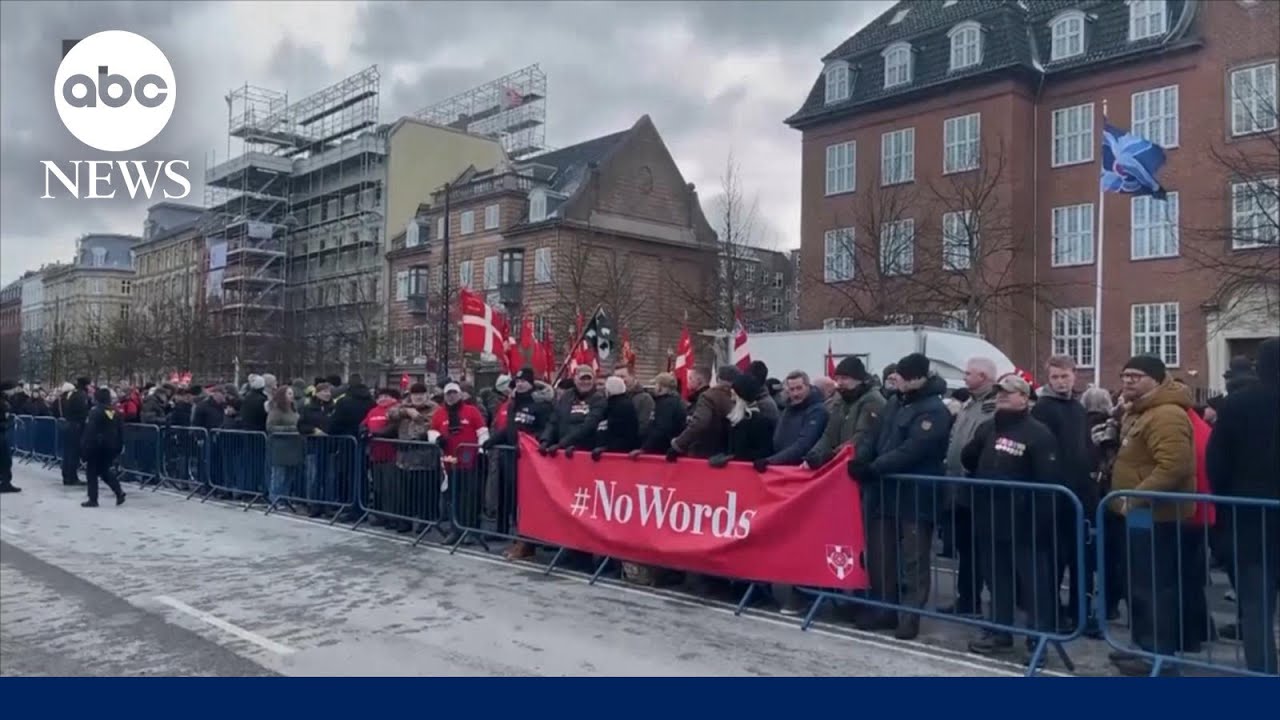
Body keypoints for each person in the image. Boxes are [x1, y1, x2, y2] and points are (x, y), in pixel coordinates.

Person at [851, 352, 951, 640]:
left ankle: (910, 615)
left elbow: (914, 449)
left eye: (904, 378)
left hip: (915, 493)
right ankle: (885, 608)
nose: (898, 381)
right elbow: (874, 434)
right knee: (881, 554)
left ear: (919, 378)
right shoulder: (895, 402)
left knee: (914, 559)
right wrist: (862, 457)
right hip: (885, 491)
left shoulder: (934, 410)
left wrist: (875, 467)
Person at [1107, 354, 1196, 676]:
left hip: (1156, 515)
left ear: (1156, 380)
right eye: (1125, 375)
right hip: (1139, 514)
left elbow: (1173, 466)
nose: (1127, 381)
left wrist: (1134, 498)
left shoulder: (1166, 414)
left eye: (1136, 376)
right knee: (1138, 581)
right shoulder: (1140, 410)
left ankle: (1159, 655)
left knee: (1153, 584)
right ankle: (1144, 647)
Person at [961, 373, 1060, 659]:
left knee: (1033, 586)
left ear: (1024, 398)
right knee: (997, 580)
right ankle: (999, 632)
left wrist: (1040, 522)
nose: (1002, 396)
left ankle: (1037, 640)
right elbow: (969, 458)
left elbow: (1048, 480)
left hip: (1025, 522)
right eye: (999, 392)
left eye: (1009, 391)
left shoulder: (1038, 433)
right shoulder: (988, 427)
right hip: (990, 517)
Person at [1207, 337, 1279, 675]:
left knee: (1256, 606)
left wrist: (1226, 503)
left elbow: (1217, 462)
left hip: (1251, 516)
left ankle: (1263, 675)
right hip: (1254, 513)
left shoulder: (1237, 404)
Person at [1032, 355, 1097, 633]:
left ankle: (1080, 611)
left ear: (1074, 375)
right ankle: (1052, 612)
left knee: (1082, 558)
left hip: (1080, 493)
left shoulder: (1078, 408)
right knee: (1054, 558)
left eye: (1065, 376)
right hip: (1056, 494)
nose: (1060, 382)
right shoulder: (1043, 409)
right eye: (1055, 377)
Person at [941, 357, 999, 617]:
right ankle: (967, 599)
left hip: (978, 487)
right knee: (965, 548)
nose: (964, 377)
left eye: (968, 373)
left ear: (983, 377)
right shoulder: (969, 404)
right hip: (959, 486)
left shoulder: (992, 408)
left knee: (983, 550)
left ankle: (996, 606)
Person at [488, 367, 554, 558]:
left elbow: (546, 429)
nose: (520, 384)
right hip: (513, 457)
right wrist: (492, 440)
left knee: (529, 502)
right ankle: (520, 538)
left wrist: (531, 443)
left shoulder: (541, 405)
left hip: (532, 460)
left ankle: (528, 541)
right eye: (517, 382)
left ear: (531, 383)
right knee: (515, 501)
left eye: (523, 381)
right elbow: (511, 428)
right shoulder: (513, 404)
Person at [430, 382, 489, 544]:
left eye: (454, 393)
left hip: (469, 460)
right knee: (452, 496)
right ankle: (455, 529)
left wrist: (482, 451)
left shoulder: (472, 411)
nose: (451, 396)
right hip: (449, 461)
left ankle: (471, 530)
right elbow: (432, 431)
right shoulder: (439, 413)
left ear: (460, 394)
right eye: (448, 394)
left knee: (469, 496)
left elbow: (482, 431)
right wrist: (436, 439)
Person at [805, 356, 886, 469]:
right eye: (837, 378)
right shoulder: (841, 401)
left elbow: (862, 436)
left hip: (860, 466)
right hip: (841, 462)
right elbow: (829, 434)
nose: (839, 383)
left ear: (859, 379)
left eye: (844, 378)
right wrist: (814, 454)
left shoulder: (873, 401)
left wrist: (831, 457)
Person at [762, 371, 828, 469]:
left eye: (799, 388)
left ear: (808, 386)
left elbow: (804, 444)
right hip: (781, 467)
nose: (795, 393)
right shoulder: (788, 409)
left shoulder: (817, 411)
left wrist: (770, 461)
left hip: (800, 469)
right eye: (792, 389)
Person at [670, 366, 735, 459]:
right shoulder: (734, 397)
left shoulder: (708, 397)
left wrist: (678, 445)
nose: (688, 381)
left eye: (691, 378)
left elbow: (699, 423)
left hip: (702, 451)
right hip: (725, 453)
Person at [540, 365, 606, 455]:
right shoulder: (566, 396)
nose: (586, 382)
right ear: (575, 380)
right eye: (582, 379)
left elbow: (588, 426)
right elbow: (554, 420)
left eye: (589, 379)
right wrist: (545, 440)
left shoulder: (599, 399)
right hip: (561, 449)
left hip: (584, 451)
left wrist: (562, 444)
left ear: (593, 380)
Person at [80, 387, 126, 508]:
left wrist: (84, 447)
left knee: (91, 472)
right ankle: (119, 491)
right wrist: (120, 445)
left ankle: (93, 499)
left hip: (96, 446)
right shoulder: (115, 411)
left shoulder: (95, 412)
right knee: (104, 470)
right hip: (111, 446)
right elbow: (121, 430)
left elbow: (90, 431)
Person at [633, 373, 687, 458]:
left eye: (656, 384)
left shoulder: (666, 405)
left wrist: (645, 448)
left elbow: (661, 428)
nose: (654, 388)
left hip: (662, 451)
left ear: (661, 387)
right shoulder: (673, 402)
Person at [265, 387, 303, 506]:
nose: (292, 396)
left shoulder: (294, 409)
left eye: (292, 393)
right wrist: (291, 429)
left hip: (293, 446)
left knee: (289, 474)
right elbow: (270, 427)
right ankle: (275, 498)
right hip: (280, 447)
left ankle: (285, 498)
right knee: (279, 474)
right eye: (289, 393)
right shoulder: (276, 410)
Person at [593, 376, 640, 456]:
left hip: (619, 451)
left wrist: (607, 447)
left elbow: (618, 431)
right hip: (620, 448)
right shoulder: (623, 403)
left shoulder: (619, 406)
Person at [59, 377, 91, 486]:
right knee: (74, 453)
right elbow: (83, 411)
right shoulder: (81, 395)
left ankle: (66, 476)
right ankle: (72, 477)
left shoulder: (72, 394)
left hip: (69, 424)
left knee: (67, 452)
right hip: (76, 426)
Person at [614, 366, 655, 436]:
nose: (619, 380)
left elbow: (643, 425)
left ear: (632, 376)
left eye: (622, 376)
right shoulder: (614, 397)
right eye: (616, 378)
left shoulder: (644, 398)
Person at [0, 380, 19, 494]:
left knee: (5, 459)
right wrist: (9, 423)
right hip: (2, 433)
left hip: (3, 432)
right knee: (5, 459)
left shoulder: (5, 400)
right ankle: (5, 483)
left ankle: (5, 482)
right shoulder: (3, 403)